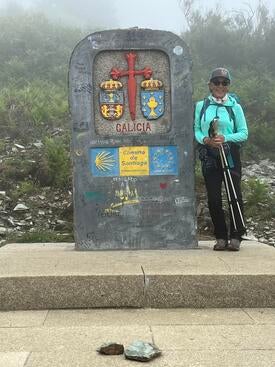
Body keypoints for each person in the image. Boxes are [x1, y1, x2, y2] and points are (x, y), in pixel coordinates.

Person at [194, 67, 248, 251]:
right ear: (210, 85)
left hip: (230, 154)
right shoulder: (202, 106)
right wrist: (206, 140)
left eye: (224, 83)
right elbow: (197, 131)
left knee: (234, 195)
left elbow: (243, 133)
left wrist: (226, 138)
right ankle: (221, 237)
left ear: (228, 86)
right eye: (216, 82)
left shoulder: (235, 106)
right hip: (210, 156)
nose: (220, 86)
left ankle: (236, 235)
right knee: (214, 199)